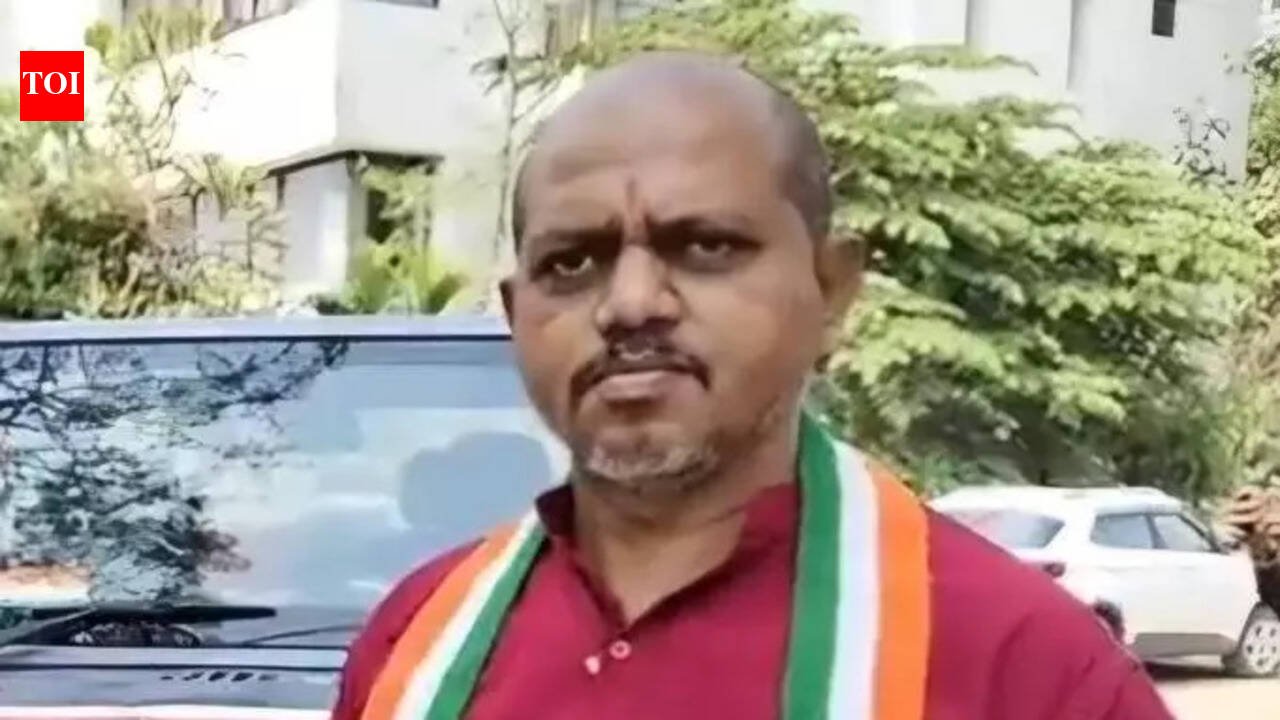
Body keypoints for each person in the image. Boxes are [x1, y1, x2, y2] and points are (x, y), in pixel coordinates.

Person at [333, 52, 1174, 720]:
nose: (630, 303)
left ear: (832, 289)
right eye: (572, 262)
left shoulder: (1025, 666)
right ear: (518, 313)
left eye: (705, 246)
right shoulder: (415, 642)